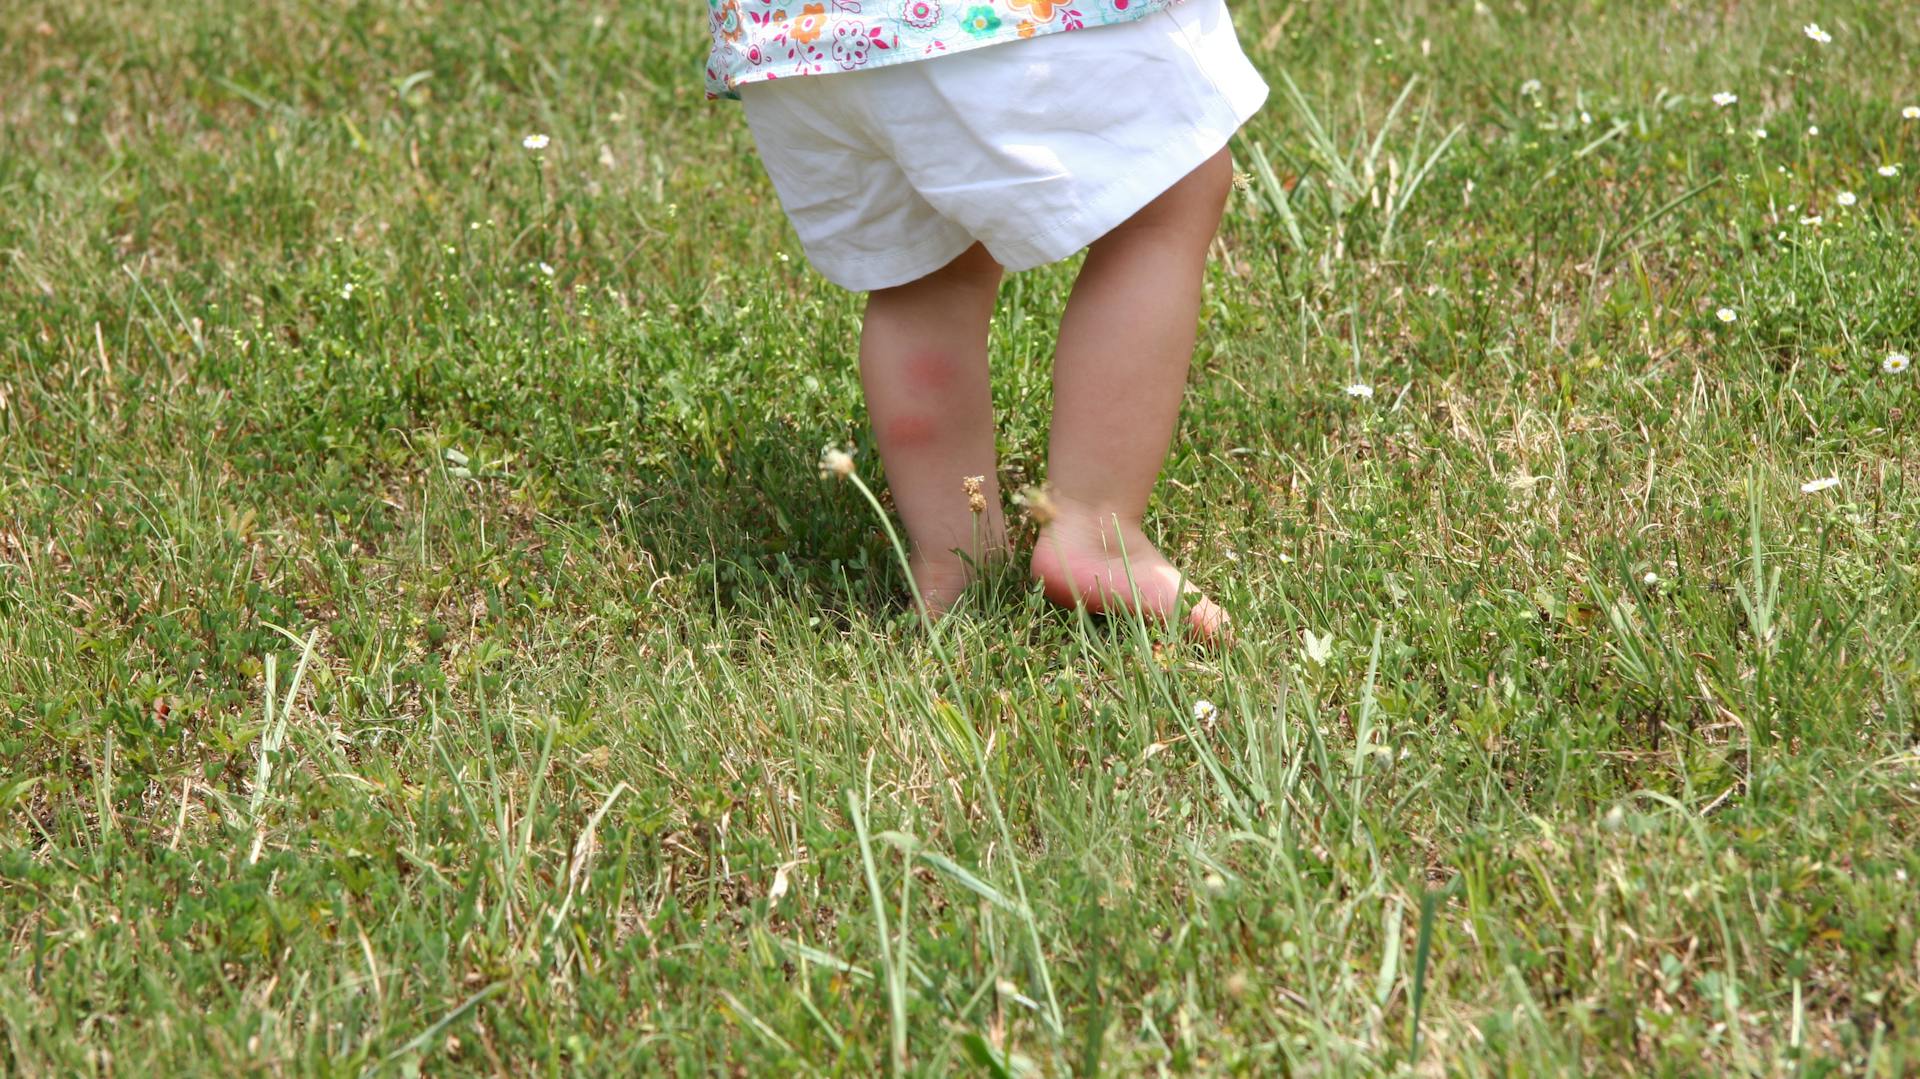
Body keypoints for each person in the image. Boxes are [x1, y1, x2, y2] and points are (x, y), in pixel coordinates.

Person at [705, 0, 1266, 641]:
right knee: (1170, 197)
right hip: (991, 26)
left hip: (804, 46)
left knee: (924, 273)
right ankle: (1096, 535)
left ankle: (955, 557)